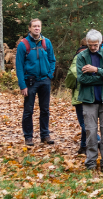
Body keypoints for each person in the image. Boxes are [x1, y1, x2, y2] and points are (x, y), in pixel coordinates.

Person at [74, 30, 103, 171]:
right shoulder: (81, 56)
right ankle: (91, 163)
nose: (93, 47)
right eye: (91, 45)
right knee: (91, 133)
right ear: (87, 43)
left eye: (95, 45)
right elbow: (82, 79)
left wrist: (96, 70)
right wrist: (102, 78)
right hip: (88, 100)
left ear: (100, 42)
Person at [15, 18, 56, 146]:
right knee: (28, 110)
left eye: (38, 26)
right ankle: (28, 136)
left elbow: (52, 60)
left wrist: (49, 75)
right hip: (30, 82)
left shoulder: (46, 42)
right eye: (34, 26)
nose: (37, 28)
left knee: (45, 109)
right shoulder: (24, 44)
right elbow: (19, 66)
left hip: (45, 80)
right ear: (29, 28)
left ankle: (45, 135)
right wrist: (22, 85)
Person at [64, 40, 90, 154]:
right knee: (87, 122)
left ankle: (98, 140)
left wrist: (71, 85)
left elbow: (72, 74)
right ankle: (83, 146)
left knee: (84, 122)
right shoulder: (96, 55)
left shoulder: (78, 56)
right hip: (91, 94)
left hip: (80, 94)